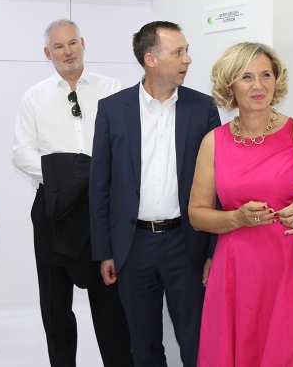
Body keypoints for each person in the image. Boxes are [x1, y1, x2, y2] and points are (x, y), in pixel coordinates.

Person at [188, 42, 293, 366]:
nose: (259, 85)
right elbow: (197, 215)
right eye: (247, 77)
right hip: (235, 275)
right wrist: (236, 218)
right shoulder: (214, 142)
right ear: (230, 85)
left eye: (266, 75)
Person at [89, 21, 221, 367]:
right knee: (143, 345)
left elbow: (218, 184)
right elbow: (99, 186)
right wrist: (105, 252)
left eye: (186, 51)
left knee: (197, 341)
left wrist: (214, 251)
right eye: (178, 52)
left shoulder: (203, 108)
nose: (187, 59)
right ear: (151, 59)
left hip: (187, 243)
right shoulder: (112, 109)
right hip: (133, 246)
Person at [12, 18, 133, 367]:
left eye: (72, 43)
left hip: (101, 210)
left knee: (111, 307)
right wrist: (69, 176)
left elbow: (126, 146)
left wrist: (91, 178)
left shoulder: (113, 89)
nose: (68, 51)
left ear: (83, 43)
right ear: (47, 52)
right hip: (53, 209)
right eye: (59, 46)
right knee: (55, 307)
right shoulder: (34, 96)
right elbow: (21, 153)